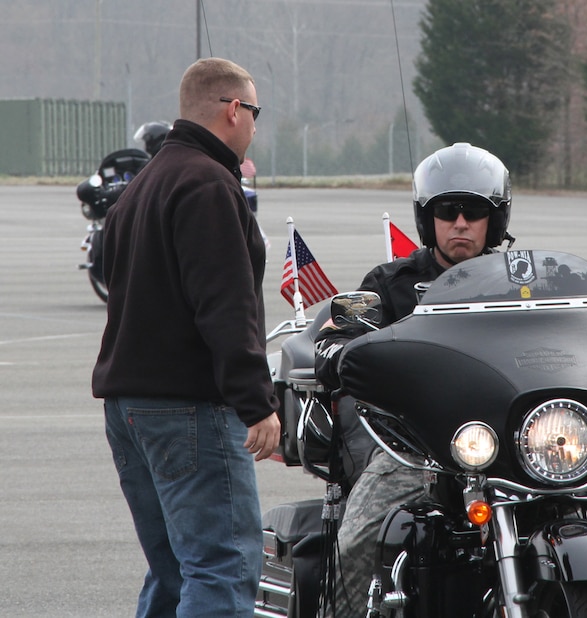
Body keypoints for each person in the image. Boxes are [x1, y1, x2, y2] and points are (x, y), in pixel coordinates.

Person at [92, 57, 280, 618]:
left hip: (128, 409)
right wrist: (257, 402)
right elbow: (223, 306)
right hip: (188, 409)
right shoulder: (207, 184)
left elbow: (109, 275)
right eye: (255, 111)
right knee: (222, 568)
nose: (253, 124)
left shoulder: (145, 183)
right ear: (232, 110)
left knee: (175, 570)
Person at [314, 142, 513, 616]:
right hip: (414, 447)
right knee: (355, 543)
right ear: (428, 219)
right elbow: (330, 344)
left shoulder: (522, 280)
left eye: (474, 211)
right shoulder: (389, 283)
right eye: (447, 211)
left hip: (508, 444)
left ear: (495, 219)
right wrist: (351, 355)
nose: (460, 223)